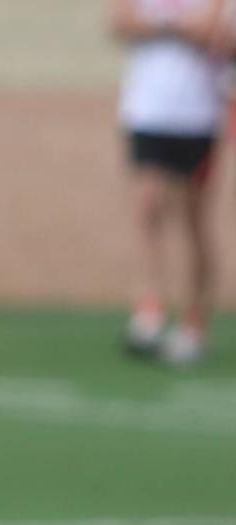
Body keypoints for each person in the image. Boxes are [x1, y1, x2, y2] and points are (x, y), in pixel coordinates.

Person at [112, 0, 234, 364]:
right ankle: (150, 309)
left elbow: (214, 35)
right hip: (147, 112)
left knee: (193, 220)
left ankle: (194, 324)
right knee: (148, 206)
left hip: (198, 118)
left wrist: (163, 24)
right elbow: (123, 22)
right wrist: (180, 24)